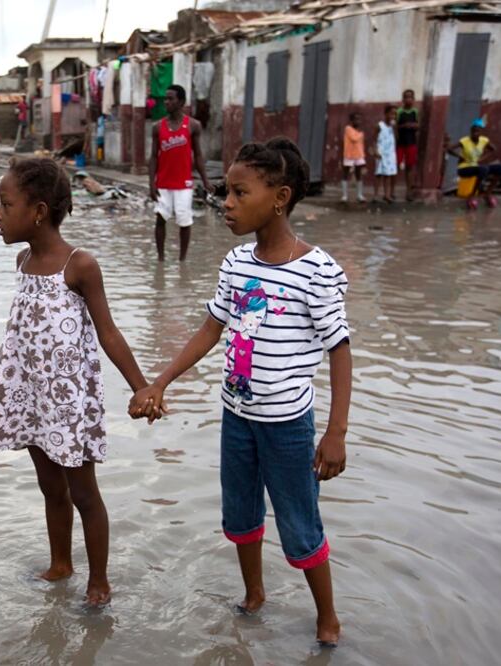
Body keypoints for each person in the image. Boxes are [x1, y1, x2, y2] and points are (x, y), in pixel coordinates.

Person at [130, 136, 351, 647]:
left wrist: (335, 433)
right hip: (237, 418)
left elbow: (340, 350)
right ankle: (254, 593)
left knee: (299, 524)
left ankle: (328, 616)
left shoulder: (316, 271)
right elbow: (212, 328)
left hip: (289, 426)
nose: (225, 203)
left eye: (238, 192)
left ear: (279, 197)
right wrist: (160, 380)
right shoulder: (237, 263)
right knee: (241, 514)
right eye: (225, 192)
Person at [0, 158, 150, 607]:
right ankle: (60, 564)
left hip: (67, 403)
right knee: (51, 489)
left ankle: (100, 583)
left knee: (84, 493)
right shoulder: (23, 260)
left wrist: (141, 386)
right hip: (31, 394)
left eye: (5, 204)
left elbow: (108, 331)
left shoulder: (79, 265)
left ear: (38, 211)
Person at [149, 84, 212, 262]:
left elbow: (198, 155)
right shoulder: (157, 127)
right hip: (163, 183)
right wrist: (151, 184)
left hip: (184, 183)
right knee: (160, 218)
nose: (166, 102)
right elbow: (153, 157)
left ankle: (182, 260)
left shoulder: (193, 125)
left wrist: (206, 181)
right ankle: (160, 259)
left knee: (184, 221)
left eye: (170, 99)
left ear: (181, 102)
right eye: (165, 99)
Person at [446, 118, 501, 210]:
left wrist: (482, 159)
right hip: (464, 168)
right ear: (470, 132)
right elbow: (449, 149)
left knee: (500, 168)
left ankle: (487, 193)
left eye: (477, 131)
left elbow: (493, 149)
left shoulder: (484, 140)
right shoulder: (464, 141)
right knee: (483, 169)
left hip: (476, 166)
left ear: (480, 132)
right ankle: (472, 195)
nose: (475, 133)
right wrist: (460, 157)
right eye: (473, 131)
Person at [395, 90, 421, 200]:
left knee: (410, 167)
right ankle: (391, 190)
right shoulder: (399, 111)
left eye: (410, 97)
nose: (408, 99)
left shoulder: (415, 111)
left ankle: (409, 191)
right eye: (406, 97)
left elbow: (419, 125)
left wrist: (413, 126)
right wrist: (404, 126)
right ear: (403, 99)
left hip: (411, 142)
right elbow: (395, 126)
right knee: (395, 166)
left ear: (413, 99)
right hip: (400, 142)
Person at [374, 105, 398, 202]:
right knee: (378, 174)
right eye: (391, 113)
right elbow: (374, 139)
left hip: (390, 153)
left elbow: (396, 138)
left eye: (395, 114)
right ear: (386, 114)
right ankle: (375, 195)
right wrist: (375, 150)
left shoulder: (393, 127)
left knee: (388, 175)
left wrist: (395, 128)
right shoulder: (379, 125)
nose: (393, 116)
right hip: (381, 152)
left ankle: (387, 195)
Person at [341, 112, 365, 202]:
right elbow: (354, 139)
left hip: (358, 155)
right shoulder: (348, 129)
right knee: (345, 174)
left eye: (359, 119)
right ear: (351, 121)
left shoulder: (358, 131)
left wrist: (362, 154)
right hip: (349, 155)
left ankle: (359, 195)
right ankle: (344, 195)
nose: (358, 121)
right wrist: (361, 134)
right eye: (356, 119)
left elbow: (361, 144)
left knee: (359, 174)